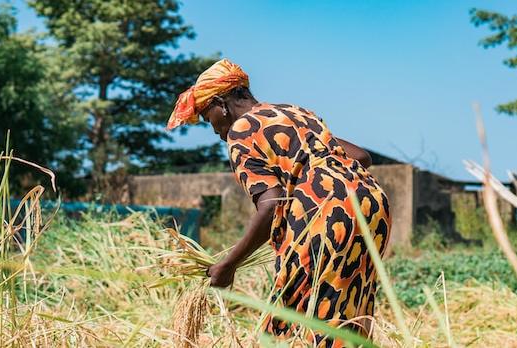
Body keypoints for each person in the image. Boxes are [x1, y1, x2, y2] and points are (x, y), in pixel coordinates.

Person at [167, 59, 392, 347]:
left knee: (288, 321)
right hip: (371, 205)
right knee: (346, 309)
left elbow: (272, 204)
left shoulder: (240, 132)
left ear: (220, 103)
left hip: (326, 215)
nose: (213, 129)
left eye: (207, 115)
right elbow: (361, 157)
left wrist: (229, 264)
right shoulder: (294, 112)